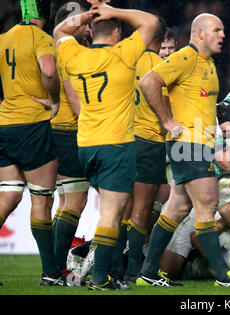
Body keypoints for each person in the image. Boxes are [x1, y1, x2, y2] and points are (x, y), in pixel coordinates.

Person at [136, 13, 230, 287]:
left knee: (177, 207)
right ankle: (223, 276)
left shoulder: (208, 64)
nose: (223, 35)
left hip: (197, 143)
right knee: (207, 204)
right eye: (217, 30)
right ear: (200, 32)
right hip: (189, 144)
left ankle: (147, 272)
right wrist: (167, 121)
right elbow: (149, 82)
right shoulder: (185, 58)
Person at [54, 2, 160, 290]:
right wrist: (112, 10)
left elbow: (60, 29)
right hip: (116, 144)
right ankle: (101, 278)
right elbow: (151, 22)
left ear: (90, 30)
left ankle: (106, 269)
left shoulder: (75, 55)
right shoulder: (124, 54)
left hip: (86, 144)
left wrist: (88, 15)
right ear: (116, 32)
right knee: (112, 213)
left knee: (113, 212)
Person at [0, 0, 62, 286]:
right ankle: (50, 273)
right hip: (32, 124)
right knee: (41, 198)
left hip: (4, 125)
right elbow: (48, 71)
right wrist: (55, 99)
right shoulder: (41, 38)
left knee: (8, 197)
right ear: (44, 12)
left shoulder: (4, 37)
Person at [122, 15, 168, 284]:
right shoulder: (161, 66)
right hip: (149, 141)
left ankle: (110, 267)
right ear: (161, 39)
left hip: (121, 140)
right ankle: (133, 272)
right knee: (141, 208)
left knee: (120, 208)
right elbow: (166, 109)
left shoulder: (124, 61)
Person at [51, 1, 91, 282]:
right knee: (75, 200)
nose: (87, 28)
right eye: (82, 23)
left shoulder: (56, 50)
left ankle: (54, 263)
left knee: (66, 200)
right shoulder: (69, 52)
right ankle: (55, 267)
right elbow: (76, 97)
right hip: (71, 130)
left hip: (56, 129)